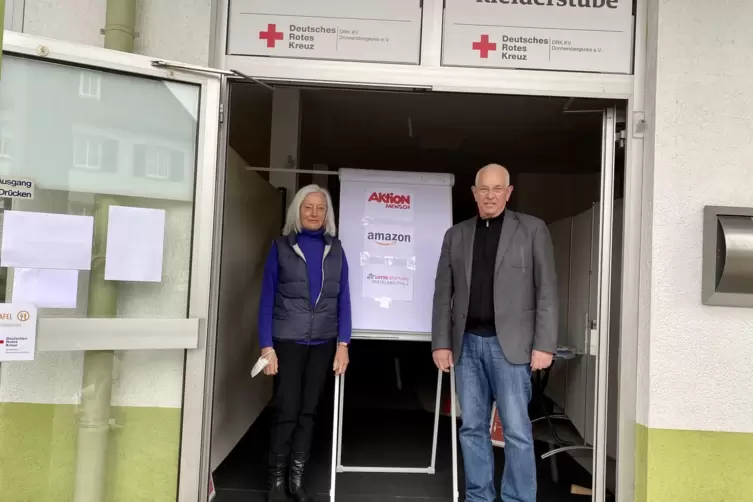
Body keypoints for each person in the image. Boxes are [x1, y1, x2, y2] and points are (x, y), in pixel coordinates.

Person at [431, 164, 558, 502]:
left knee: (517, 431)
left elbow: (546, 290)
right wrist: (441, 343)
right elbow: (443, 294)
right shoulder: (455, 235)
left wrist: (544, 345)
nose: (490, 195)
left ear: (508, 192)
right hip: (467, 346)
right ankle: (479, 496)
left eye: (497, 189)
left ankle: (518, 498)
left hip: (512, 349)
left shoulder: (532, 230)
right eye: (483, 189)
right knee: (472, 428)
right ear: (473, 193)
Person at [258, 184, 352, 502]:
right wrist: (266, 346)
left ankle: (296, 482)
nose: (314, 213)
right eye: (307, 207)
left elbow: (344, 300)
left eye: (320, 208)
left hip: (324, 342)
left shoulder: (336, 249)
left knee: (309, 411)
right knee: (287, 409)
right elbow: (267, 298)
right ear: (297, 211)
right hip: (288, 340)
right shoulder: (281, 247)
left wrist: (343, 344)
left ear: (328, 214)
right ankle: (275, 483)